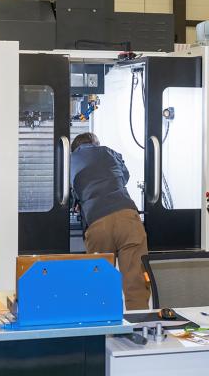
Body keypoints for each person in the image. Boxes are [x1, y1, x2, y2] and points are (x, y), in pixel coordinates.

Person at [70, 132, 150, 310]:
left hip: (97, 222)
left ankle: (105, 331)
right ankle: (138, 327)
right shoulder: (110, 152)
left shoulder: (70, 161)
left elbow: (72, 193)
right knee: (135, 283)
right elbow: (125, 176)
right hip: (127, 217)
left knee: (101, 283)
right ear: (95, 143)